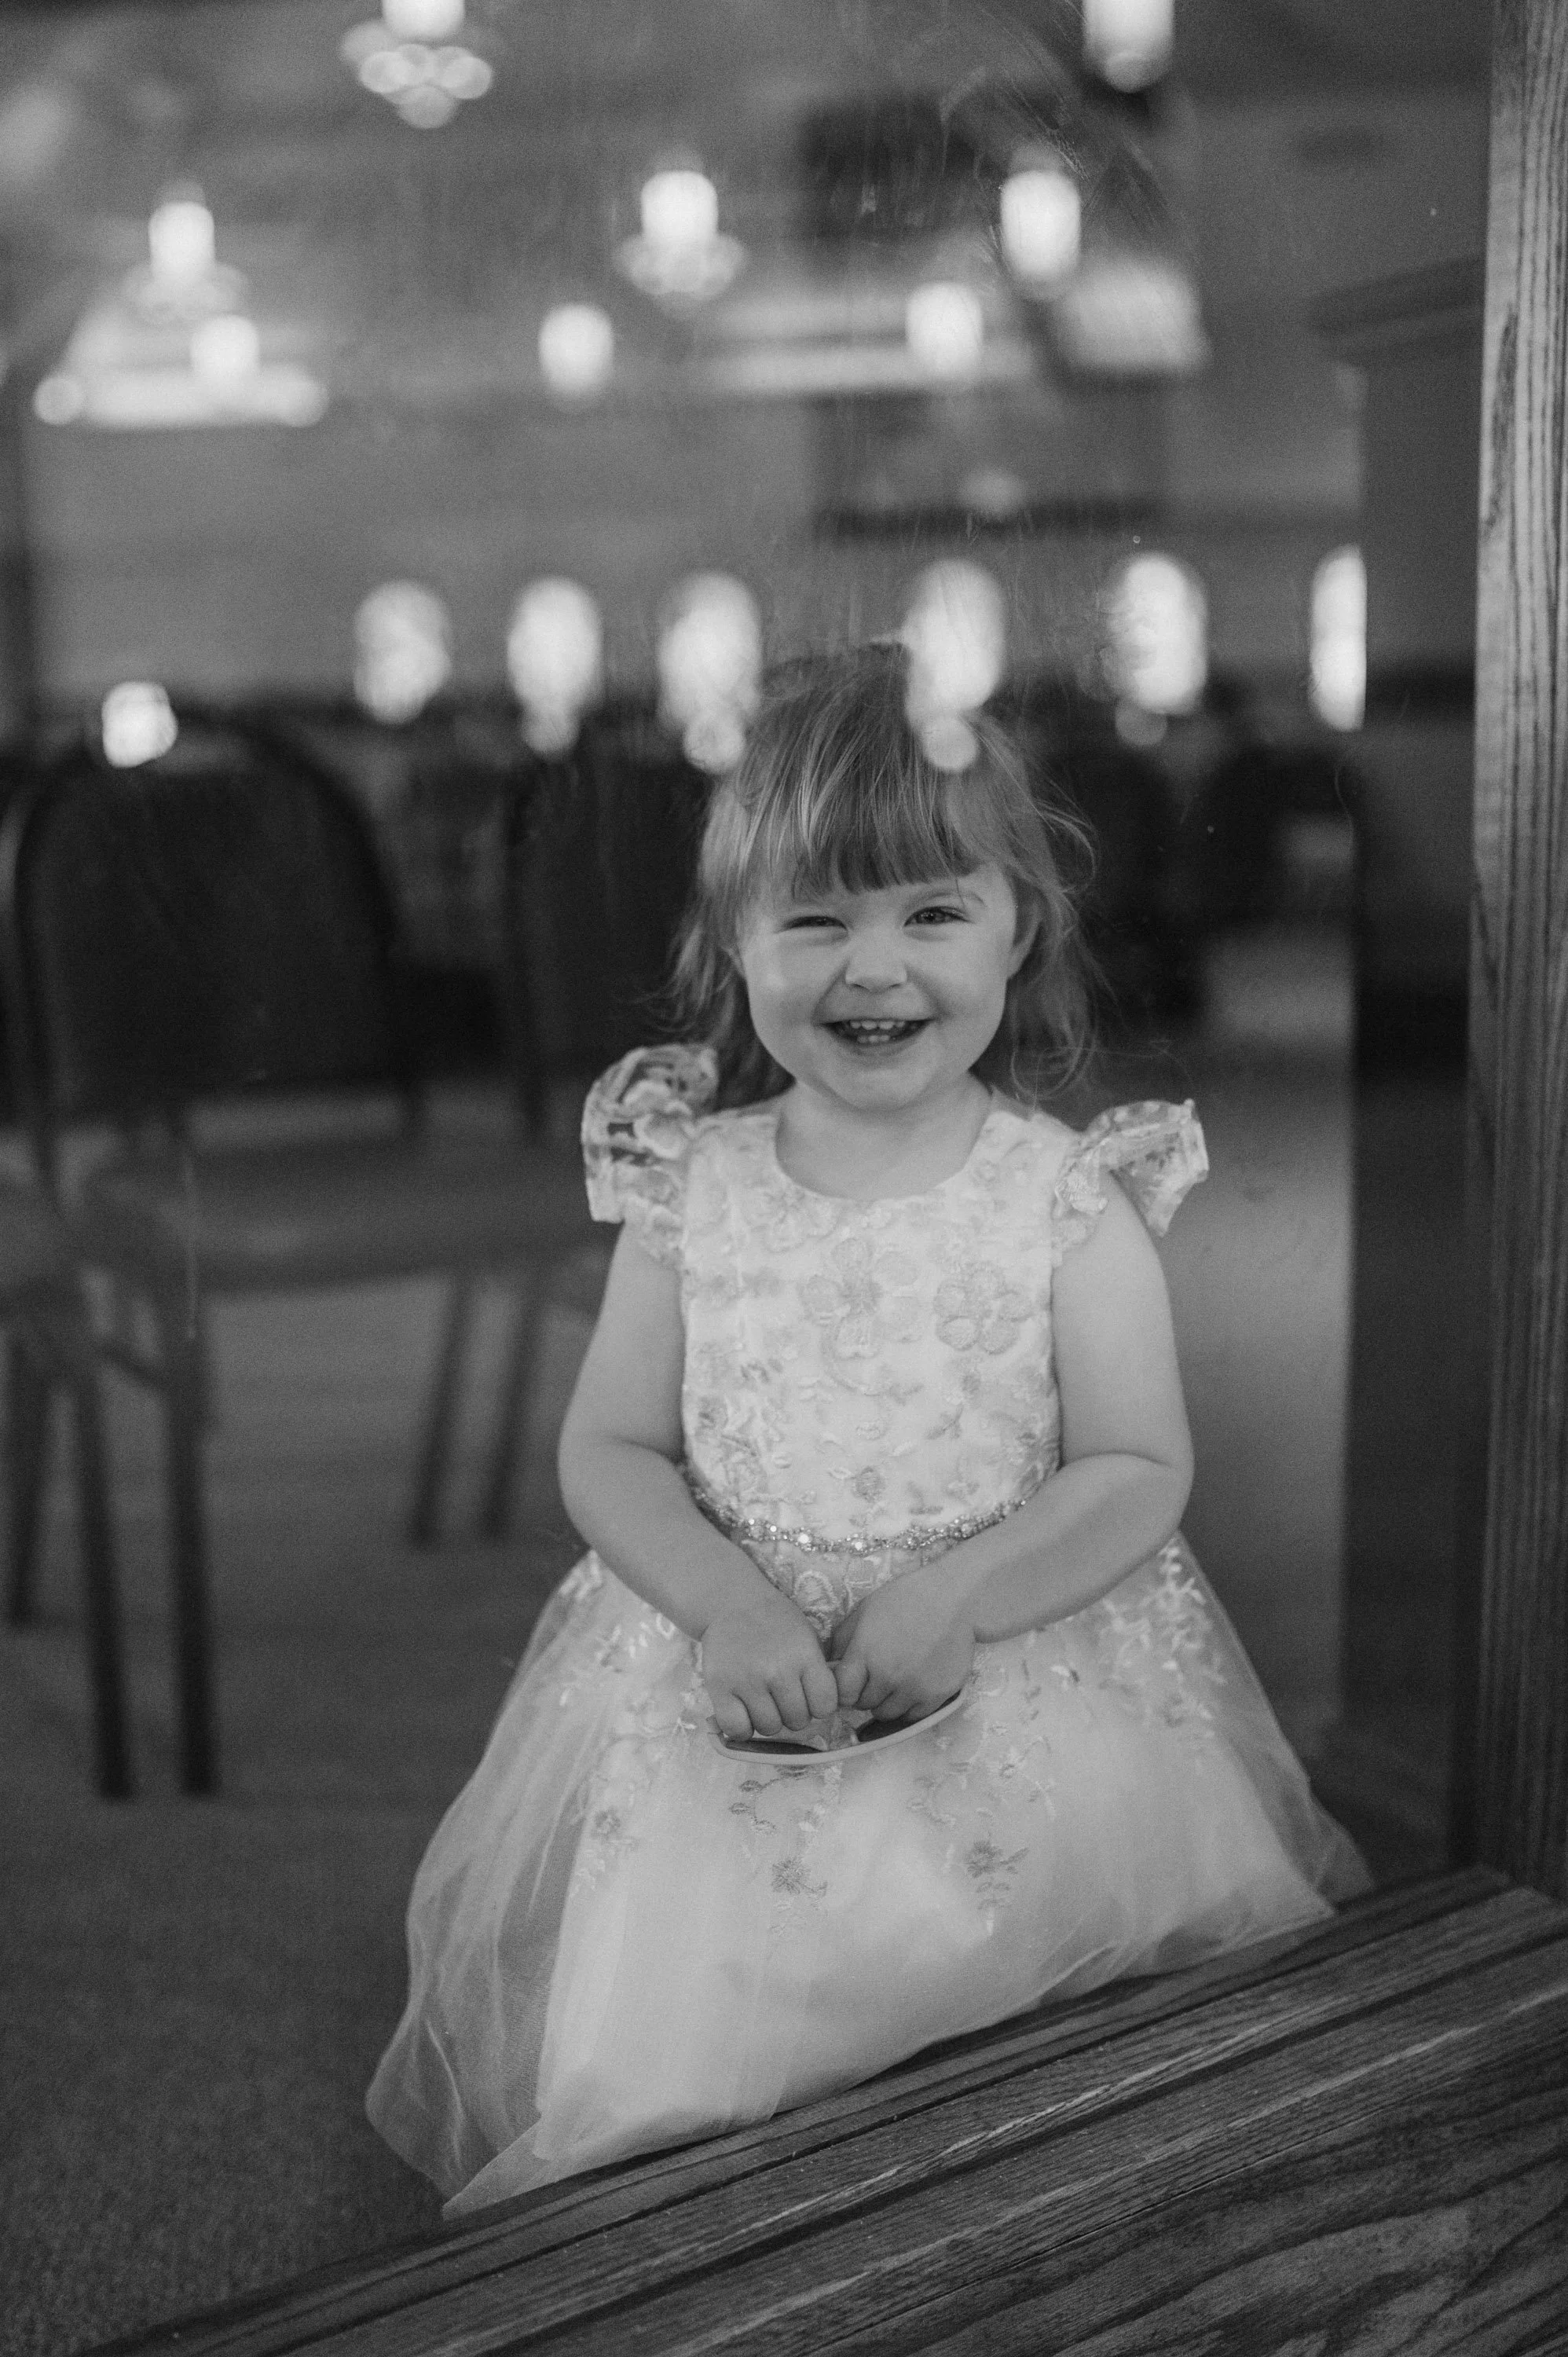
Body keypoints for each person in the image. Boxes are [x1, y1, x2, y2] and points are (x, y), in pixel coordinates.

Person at [366, 642, 1368, 2215]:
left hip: (1020, 1668)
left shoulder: (1065, 1197)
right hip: (741, 1682)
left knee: (1064, 2101)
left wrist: (961, 1594)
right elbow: (607, 1448)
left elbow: (1135, 1465)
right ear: (735, 941)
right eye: (815, 918)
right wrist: (723, 1599)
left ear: (1015, 928)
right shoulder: (685, 1185)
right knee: (699, 2074)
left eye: (929, 912)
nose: (871, 967)